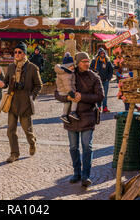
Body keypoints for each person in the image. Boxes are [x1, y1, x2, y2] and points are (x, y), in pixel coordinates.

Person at [55, 52, 104, 188]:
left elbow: (100, 96)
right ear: (77, 62)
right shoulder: (68, 73)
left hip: (88, 116)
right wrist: (68, 98)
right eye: (83, 61)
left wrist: (82, 96)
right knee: (73, 147)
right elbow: (57, 93)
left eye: (88, 61)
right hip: (71, 118)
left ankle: (85, 175)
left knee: (87, 147)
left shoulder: (94, 77)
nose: (86, 64)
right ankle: (76, 172)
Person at [3, 42, 43, 163]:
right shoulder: (10, 67)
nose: (17, 54)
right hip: (12, 102)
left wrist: (31, 97)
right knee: (10, 130)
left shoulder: (32, 68)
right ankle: (14, 153)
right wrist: (1, 84)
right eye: (15, 52)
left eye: (19, 52)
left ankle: (32, 142)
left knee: (27, 130)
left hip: (25, 103)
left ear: (24, 53)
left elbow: (38, 85)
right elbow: (6, 82)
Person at [55, 53, 80, 124]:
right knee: (75, 99)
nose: (73, 67)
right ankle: (73, 112)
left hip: (62, 91)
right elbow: (67, 84)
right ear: (67, 66)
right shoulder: (66, 74)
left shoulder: (65, 72)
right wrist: (70, 92)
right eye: (71, 66)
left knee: (67, 103)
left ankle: (64, 115)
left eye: (73, 65)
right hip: (66, 91)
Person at [90, 48, 113, 113]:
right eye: (101, 53)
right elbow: (90, 69)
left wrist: (108, 78)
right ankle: (99, 107)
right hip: (96, 81)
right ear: (98, 54)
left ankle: (105, 108)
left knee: (105, 95)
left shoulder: (107, 61)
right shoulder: (94, 61)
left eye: (103, 53)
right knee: (98, 94)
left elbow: (111, 70)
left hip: (105, 81)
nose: (102, 54)